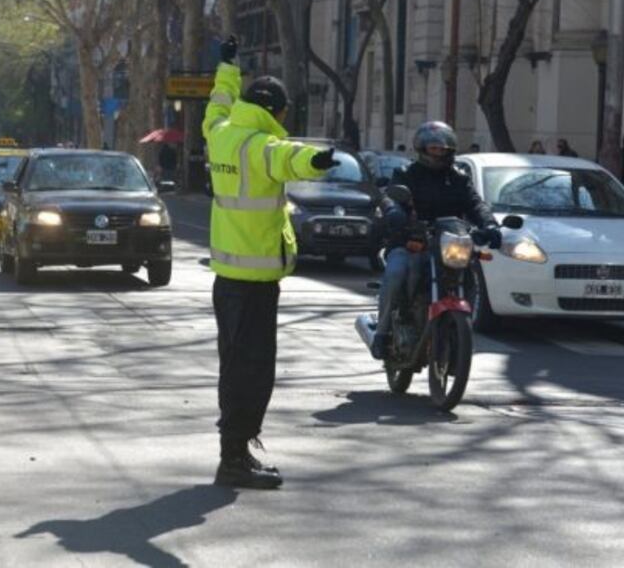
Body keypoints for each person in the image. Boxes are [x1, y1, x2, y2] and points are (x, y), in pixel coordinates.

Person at [203, 35, 337, 490]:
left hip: (227, 280)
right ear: (276, 112)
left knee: (234, 368)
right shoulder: (261, 146)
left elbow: (217, 105)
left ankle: (235, 453)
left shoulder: (220, 134)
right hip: (256, 282)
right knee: (252, 373)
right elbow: (292, 157)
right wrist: (319, 160)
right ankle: (234, 459)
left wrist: (227, 67)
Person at [370, 121, 501, 359]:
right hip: (410, 240)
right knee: (397, 270)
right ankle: (381, 332)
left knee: (468, 268)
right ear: (422, 149)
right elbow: (390, 195)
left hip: (447, 243)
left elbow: (475, 203)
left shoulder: (458, 178)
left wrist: (489, 224)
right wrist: (394, 211)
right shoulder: (408, 173)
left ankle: (457, 331)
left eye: (443, 149)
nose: (439, 153)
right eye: (434, 148)